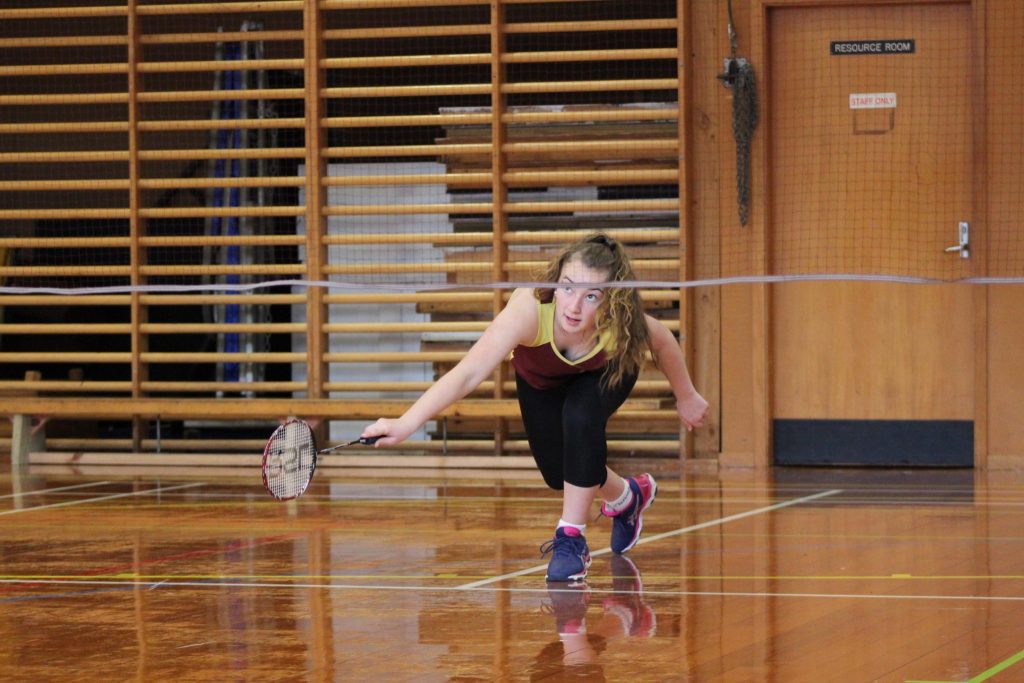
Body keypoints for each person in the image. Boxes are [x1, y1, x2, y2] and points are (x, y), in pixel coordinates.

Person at [361, 233, 709, 581]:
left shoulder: (620, 319)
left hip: (605, 373)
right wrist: (406, 423)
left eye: (591, 296)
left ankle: (571, 538)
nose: (574, 306)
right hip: (540, 381)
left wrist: (687, 396)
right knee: (560, 472)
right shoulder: (528, 311)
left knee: (580, 417)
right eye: (568, 288)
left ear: (611, 299)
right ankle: (627, 498)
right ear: (554, 282)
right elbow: (469, 373)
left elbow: (663, 342)